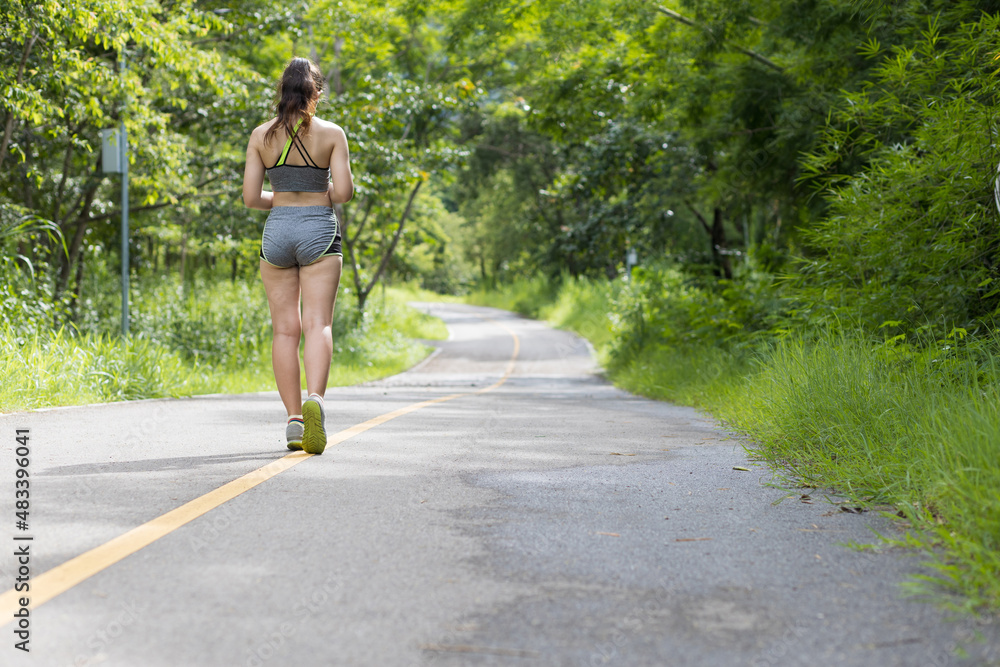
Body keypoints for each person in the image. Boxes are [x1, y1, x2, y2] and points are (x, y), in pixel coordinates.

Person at [242, 57, 354, 455]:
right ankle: (316, 400)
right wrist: (315, 195)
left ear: (282, 93)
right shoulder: (331, 134)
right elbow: (342, 192)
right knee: (317, 323)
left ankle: (293, 420)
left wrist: (285, 199)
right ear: (316, 93)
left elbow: (252, 198)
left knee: (284, 331)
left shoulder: (260, 136)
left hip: (277, 232)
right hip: (318, 229)